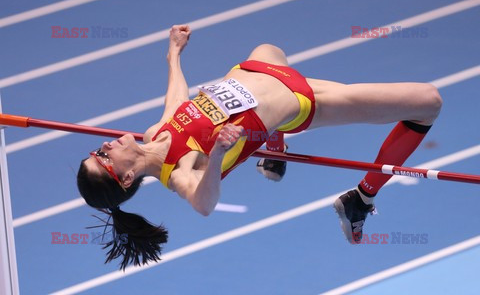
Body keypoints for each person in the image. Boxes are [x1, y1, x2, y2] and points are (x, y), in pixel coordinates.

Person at [77, 24, 442, 269]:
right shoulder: (181, 172)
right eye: (104, 157)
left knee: (270, 45)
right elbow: (204, 204)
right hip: (300, 98)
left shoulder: (153, 133)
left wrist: (173, 55)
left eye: (96, 150)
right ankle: (361, 199)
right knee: (427, 101)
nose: (105, 144)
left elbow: (177, 99)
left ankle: (274, 147)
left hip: (260, 67)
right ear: (125, 178)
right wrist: (218, 154)